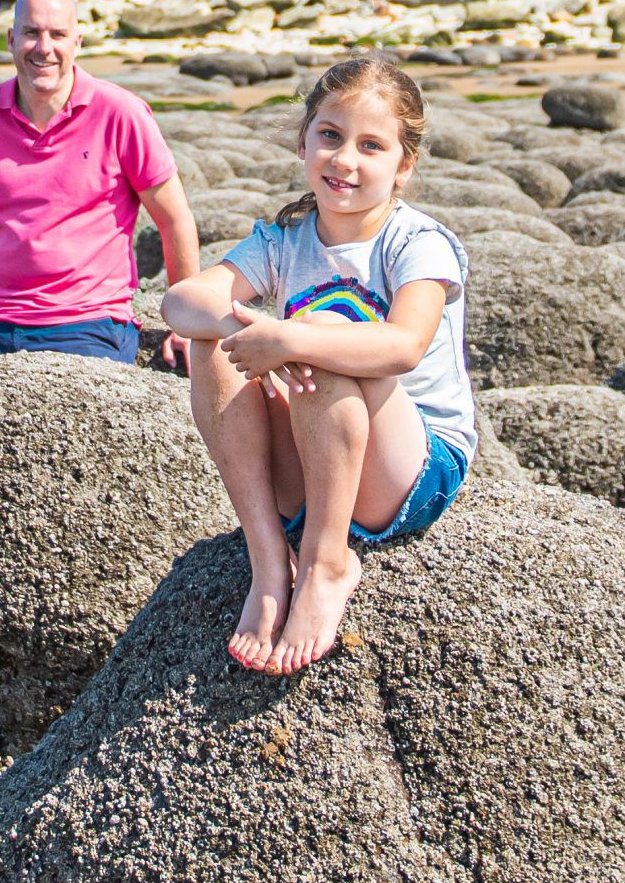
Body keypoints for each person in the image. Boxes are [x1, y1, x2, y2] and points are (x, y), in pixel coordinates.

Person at [160, 56, 474, 674]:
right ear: (304, 138)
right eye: (330, 136)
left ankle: (328, 563)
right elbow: (181, 300)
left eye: (371, 146)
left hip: (410, 468)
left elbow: (404, 345)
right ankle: (270, 560)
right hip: (317, 458)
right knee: (214, 345)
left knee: (323, 332)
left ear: (404, 166)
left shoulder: (418, 244)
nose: (344, 160)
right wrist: (252, 334)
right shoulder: (287, 237)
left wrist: (294, 341)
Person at [0, 0, 201, 367]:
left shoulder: (121, 112)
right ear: (10, 39)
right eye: (32, 33)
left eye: (57, 35)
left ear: (77, 42)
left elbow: (174, 220)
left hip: (88, 320)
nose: (44, 47)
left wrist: (187, 325)